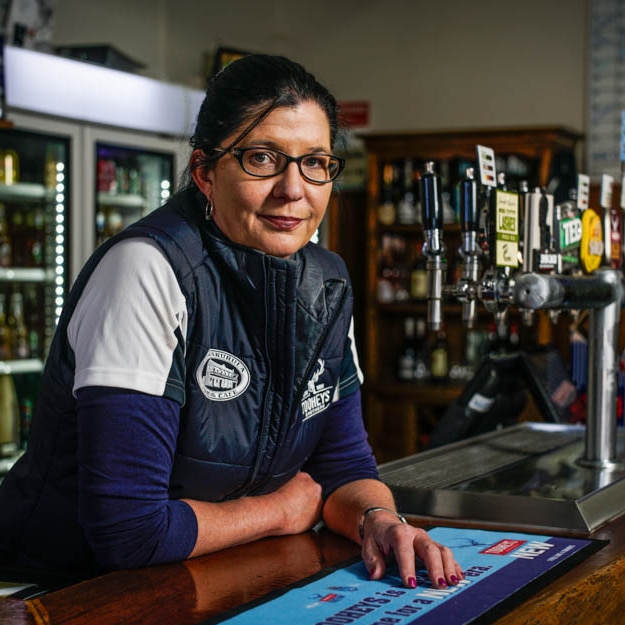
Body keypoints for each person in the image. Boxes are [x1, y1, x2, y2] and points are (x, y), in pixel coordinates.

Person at [0, 54, 462, 590]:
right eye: (263, 158)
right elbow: (128, 530)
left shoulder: (326, 282)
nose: (294, 189)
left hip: (196, 579)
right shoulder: (147, 270)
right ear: (204, 173)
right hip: (59, 590)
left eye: (316, 162)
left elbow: (342, 465)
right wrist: (279, 511)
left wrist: (379, 521)